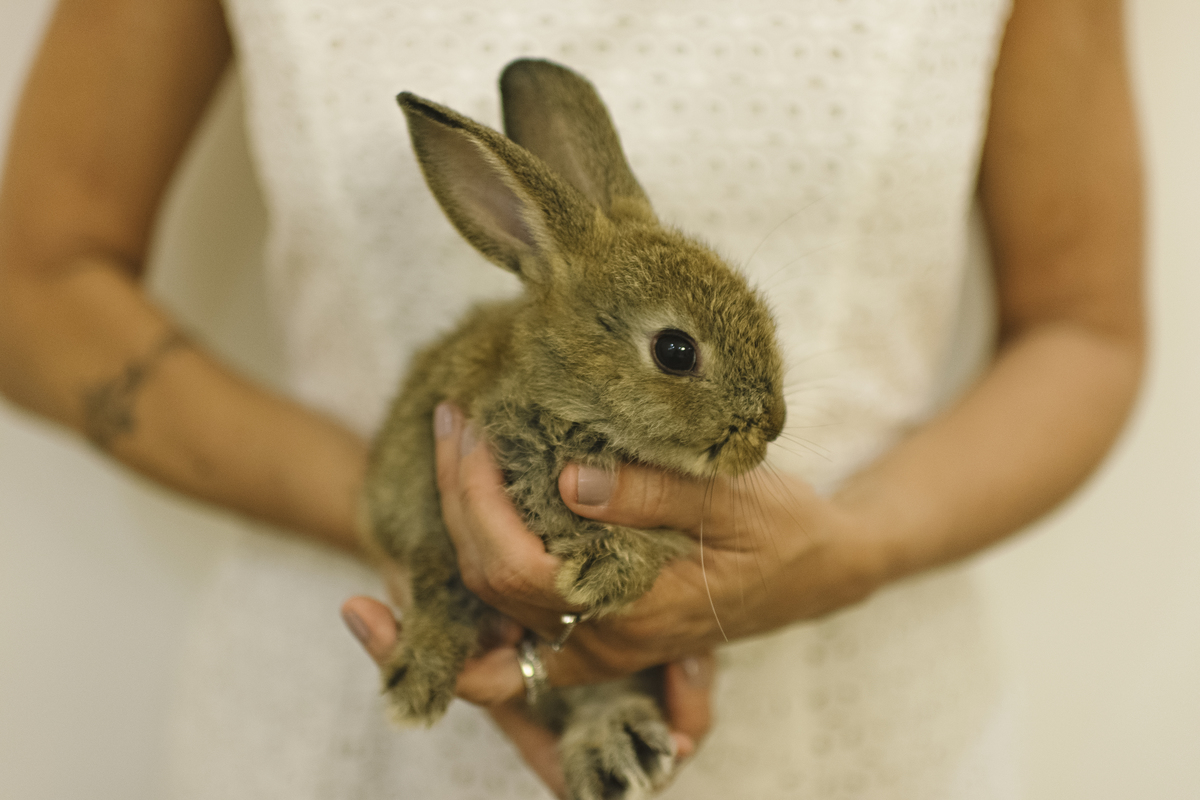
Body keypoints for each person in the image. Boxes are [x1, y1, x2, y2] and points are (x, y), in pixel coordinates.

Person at [0, 0, 1143, 797]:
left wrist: (853, 546)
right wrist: (423, 528)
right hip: (359, 700)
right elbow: (34, 284)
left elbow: (1086, 326)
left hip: (867, 731)